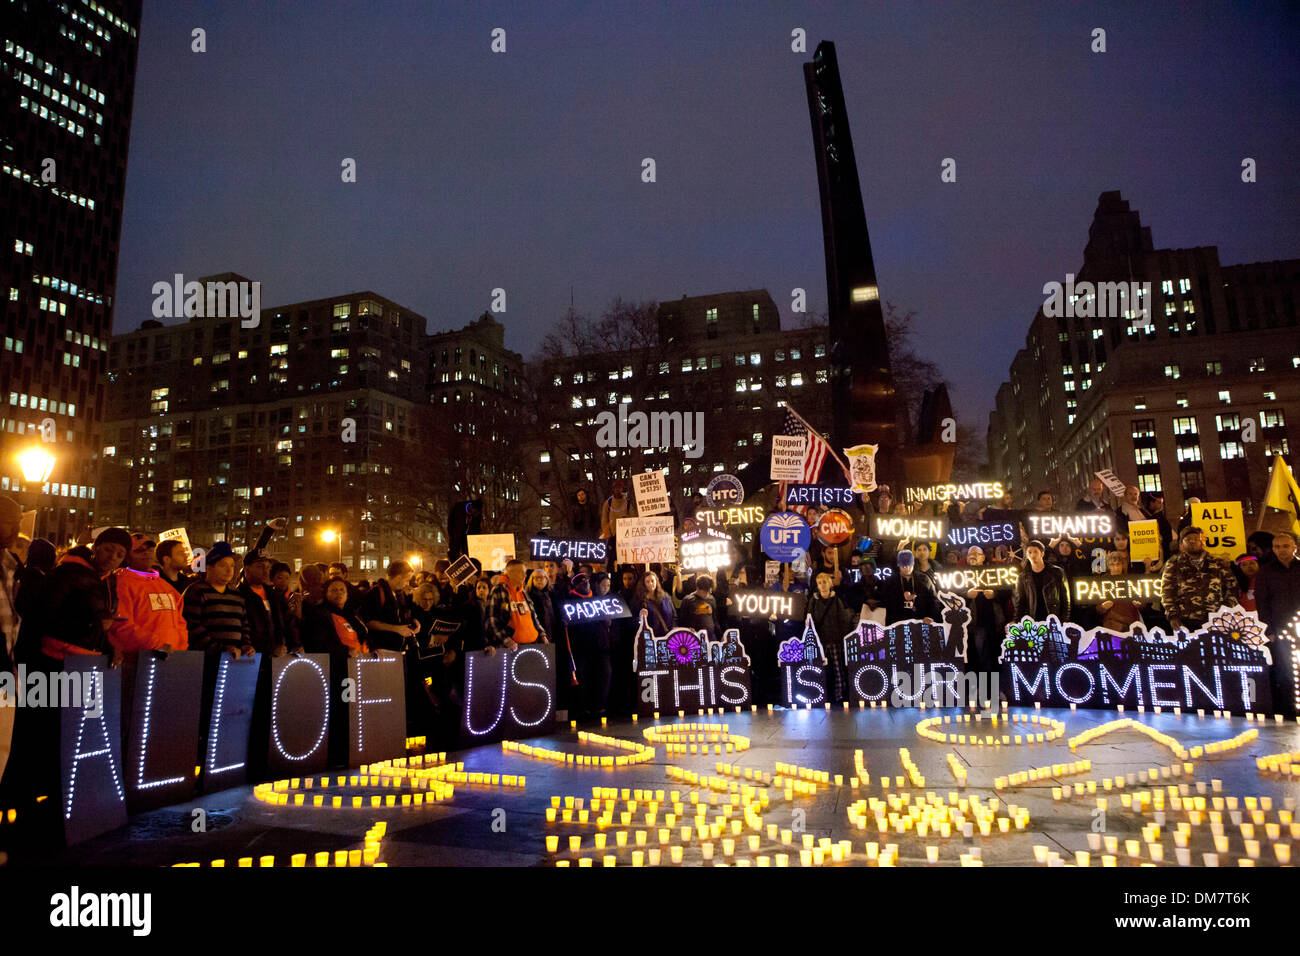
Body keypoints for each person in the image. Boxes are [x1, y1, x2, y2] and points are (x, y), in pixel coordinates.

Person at [108, 533, 188, 652]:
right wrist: (158, 646)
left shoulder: (165, 586)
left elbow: (180, 622)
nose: (146, 553)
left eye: (150, 550)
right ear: (127, 557)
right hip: (138, 660)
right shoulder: (120, 584)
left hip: (172, 657)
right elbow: (122, 626)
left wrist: (181, 647)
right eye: (139, 551)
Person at [1159, 526, 1239, 632]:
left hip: (1216, 619)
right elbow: (1167, 591)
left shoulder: (1217, 563)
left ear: (1202, 542)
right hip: (1186, 620)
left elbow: (1232, 587)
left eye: (1196, 539)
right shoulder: (1173, 564)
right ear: (1181, 544)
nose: (1192, 542)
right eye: (1188, 540)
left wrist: (1226, 610)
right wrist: (1172, 615)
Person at [1255, 531, 1300, 714]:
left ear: (1294, 547)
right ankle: (1291, 710)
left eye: (1285, 546)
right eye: (1277, 547)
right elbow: (1262, 602)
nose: (1281, 550)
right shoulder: (1266, 572)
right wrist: (1269, 631)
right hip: (1281, 628)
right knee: (1286, 670)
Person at [182, 541, 252, 656]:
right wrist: (221, 649)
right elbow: (192, 627)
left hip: (234, 658)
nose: (229, 571)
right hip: (205, 658)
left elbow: (244, 625)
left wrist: (246, 645)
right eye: (223, 565)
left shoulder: (236, 595)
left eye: (232, 566)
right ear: (209, 568)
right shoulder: (197, 591)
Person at [566, 572, 613, 719]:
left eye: (587, 580)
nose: (585, 583)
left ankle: (601, 707)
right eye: (581, 581)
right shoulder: (571, 601)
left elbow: (608, 622)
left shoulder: (598, 599)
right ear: (575, 586)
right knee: (584, 677)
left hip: (600, 646)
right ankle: (585, 708)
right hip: (582, 647)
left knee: (605, 673)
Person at [484, 559, 550, 654]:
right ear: (510, 573)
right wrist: (507, 640)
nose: (525, 575)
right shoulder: (498, 591)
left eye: (525, 572)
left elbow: (533, 616)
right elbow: (491, 620)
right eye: (521, 572)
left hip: (532, 645)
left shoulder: (523, 592)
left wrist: (542, 634)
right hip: (512, 649)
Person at [963, 546, 1007, 682]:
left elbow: (1007, 592)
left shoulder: (993, 573)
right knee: (977, 659)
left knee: (992, 658)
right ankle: (980, 693)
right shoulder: (960, 576)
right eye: (970, 553)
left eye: (976, 553)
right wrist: (966, 595)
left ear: (983, 557)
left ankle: (991, 692)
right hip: (973, 624)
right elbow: (952, 597)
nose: (973, 556)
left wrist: (994, 593)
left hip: (993, 623)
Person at [807, 571, 854, 701]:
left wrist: (842, 637)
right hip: (820, 639)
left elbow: (843, 619)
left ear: (830, 584)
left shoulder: (836, 600)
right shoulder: (814, 601)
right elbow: (809, 619)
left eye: (825, 582)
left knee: (838, 668)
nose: (822, 585)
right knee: (820, 667)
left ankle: (840, 694)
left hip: (834, 638)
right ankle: (821, 694)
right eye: (820, 583)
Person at [238, 549, 294, 656]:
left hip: (278, 658)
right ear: (247, 569)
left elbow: (287, 623)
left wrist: (292, 645)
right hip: (252, 657)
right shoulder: (239, 596)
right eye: (260, 567)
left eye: (268, 567)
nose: (265, 571)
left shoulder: (275, 597)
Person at [359, 560, 419, 652]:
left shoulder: (400, 594)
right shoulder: (376, 593)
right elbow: (368, 622)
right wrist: (397, 629)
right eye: (407, 580)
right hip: (381, 651)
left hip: (398, 650)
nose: (408, 584)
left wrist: (414, 621)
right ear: (398, 577)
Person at [1013, 540, 1070, 622]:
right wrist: (1016, 622)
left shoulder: (1057, 572)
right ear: (1026, 555)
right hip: (1034, 620)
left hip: (1053, 619)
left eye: (1035, 552)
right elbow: (1020, 603)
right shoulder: (1023, 577)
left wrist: (1064, 621)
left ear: (1042, 554)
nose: (1033, 555)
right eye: (1029, 552)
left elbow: (1065, 599)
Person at [882, 550, 939, 625]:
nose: (907, 568)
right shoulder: (891, 581)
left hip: (921, 621)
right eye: (904, 566)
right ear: (898, 565)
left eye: (910, 565)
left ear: (913, 564)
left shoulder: (924, 579)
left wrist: (931, 616)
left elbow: (934, 600)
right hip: (897, 623)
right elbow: (885, 601)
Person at [1097, 551, 1145, 632]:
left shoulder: (1131, 580)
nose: (1116, 567)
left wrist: (1139, 605)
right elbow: (1097, 608)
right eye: (1112, 564)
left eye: (1118, 564)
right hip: (1112, 625)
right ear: (1108, 566)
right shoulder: (1102, 582)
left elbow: (1143, 603)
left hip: (1131, 625)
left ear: (1122, 565)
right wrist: (1103, 607)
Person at [677, 574, 719, 641]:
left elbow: (715, 619)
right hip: (695, 639)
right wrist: (687, 629)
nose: (707, 595)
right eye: (704, 592)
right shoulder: (688, 600)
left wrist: (719, 635)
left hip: (711, 638)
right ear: (697, 588)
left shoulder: (711, 599)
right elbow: (682, 621)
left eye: (709, 592)